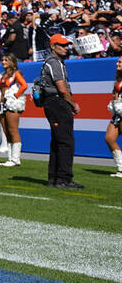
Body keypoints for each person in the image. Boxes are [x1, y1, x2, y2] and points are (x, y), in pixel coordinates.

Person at [36, 33, 82, 189]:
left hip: (52, 102)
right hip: (57, 102)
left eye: (67, 45)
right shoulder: (55, 62)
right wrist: (73, 103)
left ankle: (54, 178)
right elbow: (62, 89)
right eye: (62, 45)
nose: (66, 48)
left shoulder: (53, 61)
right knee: (66, 142)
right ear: (53, 46)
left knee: (57, 141)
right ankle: (64, 179)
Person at [0, 54, 28, 168]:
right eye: (2, 60)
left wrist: (15, 96)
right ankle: (10, 158)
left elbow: (24, 85)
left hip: (12, 104)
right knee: (6, 131)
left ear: (12, 62)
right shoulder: (1, 75)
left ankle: (16, 159)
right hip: (2, 104)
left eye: (6, 60)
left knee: (13, 130)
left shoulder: (16, 74)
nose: (3, 62)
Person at [105, 57, 122, 178]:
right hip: (118, 113)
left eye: (120, 62)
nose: (117, 63)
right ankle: (121, 168)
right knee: (109, 138)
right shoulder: (119, 79)